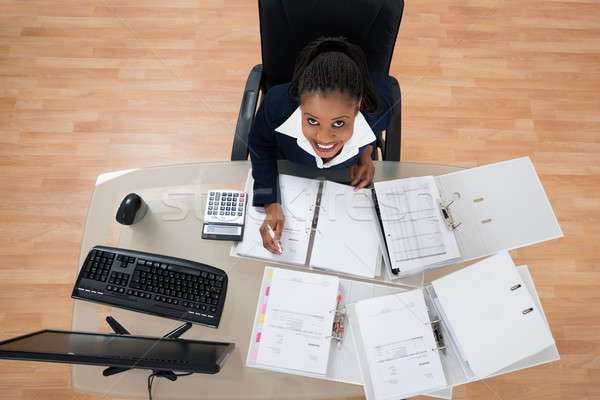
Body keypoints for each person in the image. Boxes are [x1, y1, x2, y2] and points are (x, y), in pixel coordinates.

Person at [248, 36, 394, 254]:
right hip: (291, 168)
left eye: (339, 123)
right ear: (300, 103)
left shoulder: (379, 109)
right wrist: (269, 201)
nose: (324, 139)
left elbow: (384, 81)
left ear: (358, 107)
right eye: (312, 121)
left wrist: (366, 152)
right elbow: (260, 145)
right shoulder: (276, 105)